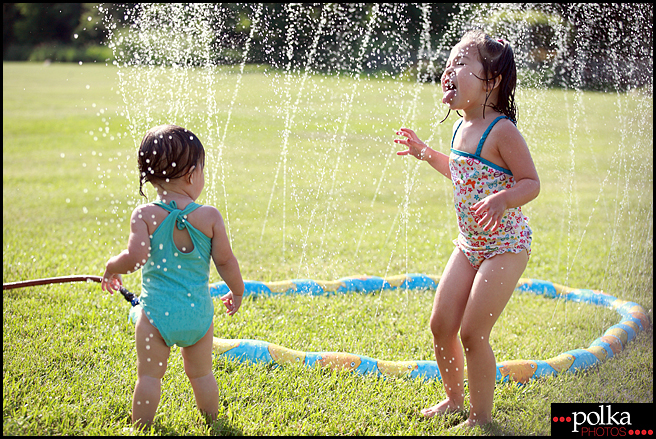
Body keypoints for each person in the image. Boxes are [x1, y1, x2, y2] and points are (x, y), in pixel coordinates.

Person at [395, 30, 540, 428]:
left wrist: (503, 199)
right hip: (471, 243)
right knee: (441, 324)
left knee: (473, 332)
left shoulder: (502, 131)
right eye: (450, 61)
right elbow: (461, 173)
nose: (450, 68)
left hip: (506, 245)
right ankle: (454, 399)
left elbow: (531, 182)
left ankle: (480, 416)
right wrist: (426, 153)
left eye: (462, 63)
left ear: (491, 82)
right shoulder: (461, 126)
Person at [101, 124, 245, 429]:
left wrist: (112, 266)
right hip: (198, 316)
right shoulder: (209, 217)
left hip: (155, 316)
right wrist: (238, 290)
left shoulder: (145, 215)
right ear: (193, 174)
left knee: (149, 376)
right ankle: (213, 421)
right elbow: (226, 261)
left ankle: (140, 426)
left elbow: (134, 258)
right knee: (201, 374)